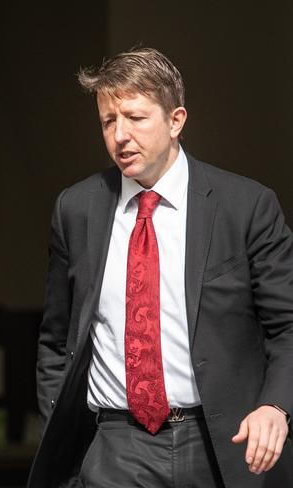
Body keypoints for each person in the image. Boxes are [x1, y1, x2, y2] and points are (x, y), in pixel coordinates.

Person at [28, 47, 293, 487]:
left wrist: (276, 406)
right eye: (108, 122)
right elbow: (57, 339)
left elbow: (288, 324)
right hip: (115, 444)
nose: (120, 136)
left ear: (176, 121)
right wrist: (63, 440)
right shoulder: (77, 210)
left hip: (222, 440)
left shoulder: (244, 206)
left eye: (135, 117)